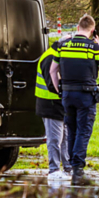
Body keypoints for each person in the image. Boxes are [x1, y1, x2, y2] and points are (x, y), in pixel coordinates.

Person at [49, 15, 99, 185]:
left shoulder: (63, 45)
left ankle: (73, 165)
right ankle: (77, 169)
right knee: (83, 131)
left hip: (67, 95)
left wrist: (59, 90)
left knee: (72, 130)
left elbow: (53, 70)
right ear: (92, 30)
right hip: (86, 96)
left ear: (77, 27)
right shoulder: (93, 47)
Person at [35, 38, 70, 180]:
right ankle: (54, 169)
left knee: (65, 138)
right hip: (50, 104)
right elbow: (52, 84)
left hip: (58, 104)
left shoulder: (56, 55)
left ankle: (67, 167)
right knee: (55, 139)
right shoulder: (50, 57)